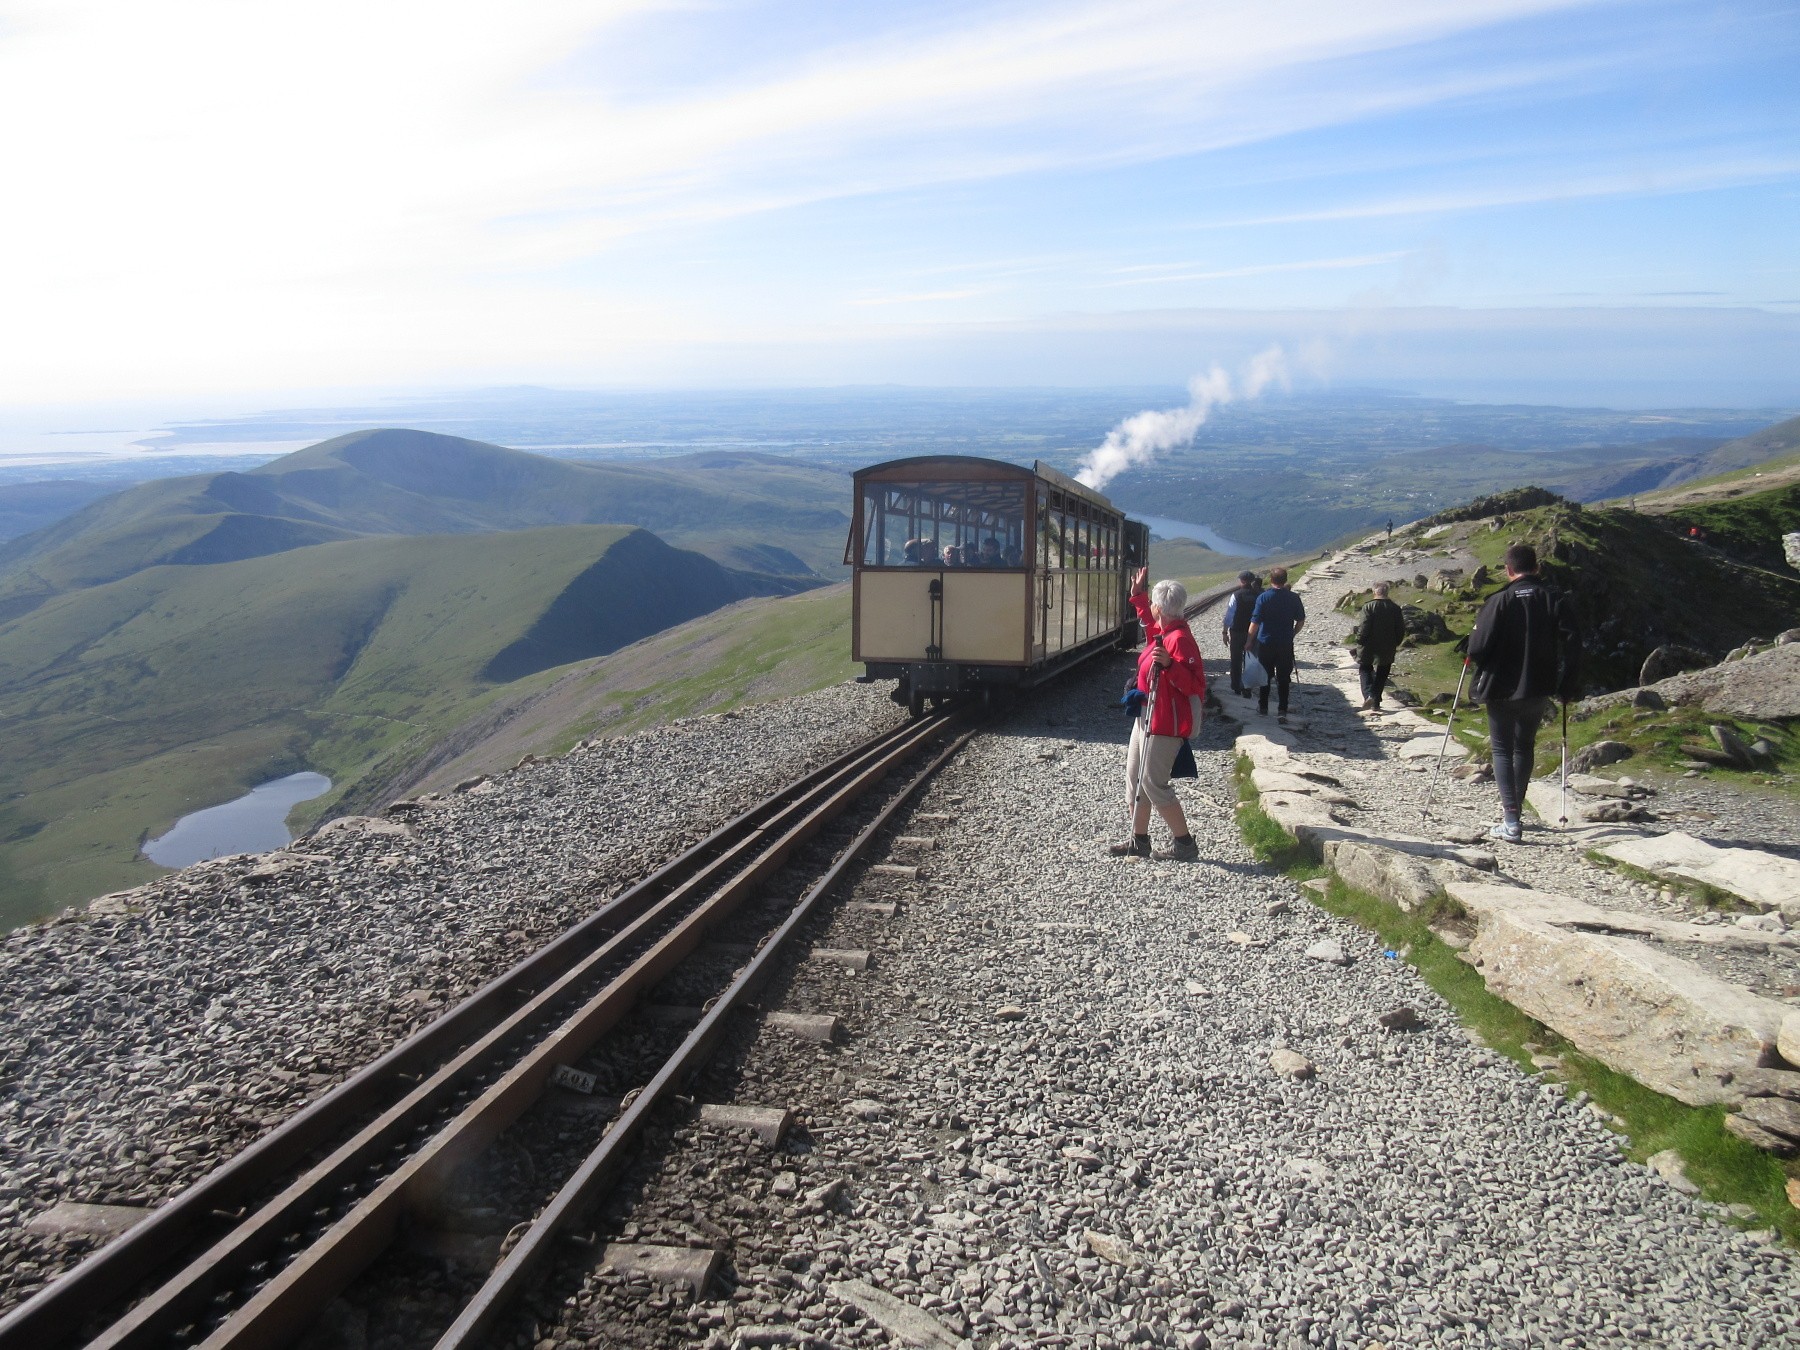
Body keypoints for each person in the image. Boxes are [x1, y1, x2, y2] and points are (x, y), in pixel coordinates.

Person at [1467, 543, 1582, 844]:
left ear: (1508, 570)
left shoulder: (1499, 600)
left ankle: (1510, 821)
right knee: (1524, 747)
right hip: (1538, 686)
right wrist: (1568, 684)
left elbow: (1477, 648)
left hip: (1500, 687)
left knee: (1501, 750)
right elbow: (1574, 643)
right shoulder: (1554, 598)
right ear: (1537, 567)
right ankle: (1515, 814)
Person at [1109, 567, 1206, 861]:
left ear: (1160, 608)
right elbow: (1151, 626)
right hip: (1147, 715)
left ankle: (1185, 844)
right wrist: (1138, 596)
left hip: (1165, 722)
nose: (1151, 608)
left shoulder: (1179, 640)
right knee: (1135, 780)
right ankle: (1138, 840)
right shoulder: (1165, 633)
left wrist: (1170, 666)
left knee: (1153, 783)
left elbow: (1195, 686)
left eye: (1152, 602)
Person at [1246, 565, 1305, 721]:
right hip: (1285, 642)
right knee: (1283, 677)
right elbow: (1300, 620)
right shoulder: (1294, 598)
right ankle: (1282, 710)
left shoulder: (1263, 597)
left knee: (1265, 675)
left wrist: (1249, 641)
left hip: (1266, 641)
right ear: (1285, 580)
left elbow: (1255, 622)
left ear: (1271, 580)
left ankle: (1263, 707)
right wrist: (1293, 633)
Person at [1353, 581, 1407, 711]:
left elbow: (1364, 627)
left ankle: (1368, 695)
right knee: (1382, 672)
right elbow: (1400, 629)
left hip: (1368, 645)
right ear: (1387, 592)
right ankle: (1375, 701)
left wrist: (1359, 639)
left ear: (1374, 592)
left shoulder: (1368, 607)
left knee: (1365, 669)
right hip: (1388, 645)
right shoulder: (1395, 608)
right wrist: (1396, 642)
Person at [1219, 570, 1260, 697]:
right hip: (1253, 633)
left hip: (1237, 632)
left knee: (1236, 660)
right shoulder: (1258, 595)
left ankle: (1236, 686)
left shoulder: (1236, 595)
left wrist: (1225, 632)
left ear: (1241, 581)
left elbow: (1229, 615)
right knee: (1250, 660)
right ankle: (1247, 688)